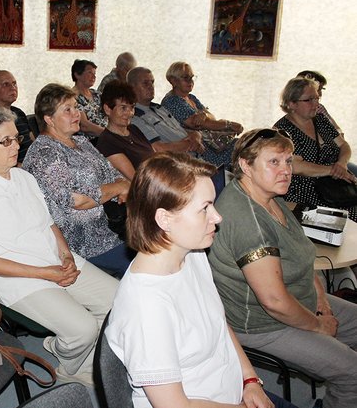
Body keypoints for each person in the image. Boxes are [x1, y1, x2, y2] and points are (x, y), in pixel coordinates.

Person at [107, 152, 286, 408]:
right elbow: (175, 406)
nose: (217, 217)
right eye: (204, 209)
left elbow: (218, 322)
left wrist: (250, 380)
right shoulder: (147, 306)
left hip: (235, 390)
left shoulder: (192, 253)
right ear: (164, 219)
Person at [0, 107, 119, 386]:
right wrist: (48, 274)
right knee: (83, 328)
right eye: (5, 141)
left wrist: (66, 255)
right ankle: (68, 364)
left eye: (16, 138)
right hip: (16, 279)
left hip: (53, 260)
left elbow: (50, 224)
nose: (15, 146)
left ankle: (74, 351)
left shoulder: (24, 177)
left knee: (118, 300)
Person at [208, 128, 357, 408]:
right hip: (265, 323)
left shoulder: (271, 197)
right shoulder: (247, 221)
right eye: (274, 162)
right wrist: (319, 325)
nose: (286, 170)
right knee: (353, 374)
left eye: (288, 161)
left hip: (300, 300)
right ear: (245, 166)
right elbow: (275, 302)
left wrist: (323, 303)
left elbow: (302, 255)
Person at [23, 83, 132, 278]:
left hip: (108, 226)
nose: (77, 114)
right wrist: (117, 188)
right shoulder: (44, 153)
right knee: (144, 265)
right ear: (49, 119)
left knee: (163, 245)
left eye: (76, 107)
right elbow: (77, 200)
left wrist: (121, 187)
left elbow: (111, 171)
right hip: (80, 240)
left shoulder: (81, 142)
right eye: (68, 110)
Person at [274, 77, 357, 220]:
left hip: (336, 186)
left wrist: (341, 164)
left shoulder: (320, 120)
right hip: (307, 192)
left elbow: (344, 145)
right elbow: (296, 166)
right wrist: (333, 171)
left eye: (317, 99)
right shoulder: (283, 130)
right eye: (309, 100)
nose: (316, 104)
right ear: (291, 103)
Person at [161, 61, 243, 167]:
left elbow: (212, 117)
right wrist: (230, 124)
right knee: (243, 148)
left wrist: (204, 114)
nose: (190, 81)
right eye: (186, 77)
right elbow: (198, 123)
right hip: (199, 149)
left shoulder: (191, 97)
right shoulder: (172, 100)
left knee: (245, 145)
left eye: (192, 77)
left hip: (212, 144)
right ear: (173, 81)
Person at [127, 67, 206, 157]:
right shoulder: (134, 117)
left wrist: (196, 135)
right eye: (145, 83)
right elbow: (159, 149)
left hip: (195, 157)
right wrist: (191, 144)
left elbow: (180, 131)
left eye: (152, 82)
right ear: (131, 87)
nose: (151, 87)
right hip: (178, 164)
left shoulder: (159, 108)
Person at [97, 80, 155, 181]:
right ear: (107, 109)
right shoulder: (107, 143)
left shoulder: (134, 129)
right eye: (123, 108)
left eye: (132, 107)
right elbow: (135, 179)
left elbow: (156, 157)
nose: (130, 113)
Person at [0, 70, 33, 164]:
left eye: (14, 84)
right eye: (6, 84)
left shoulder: (19, 112)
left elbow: (32, 141)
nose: (13, 88)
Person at [71, 59, 107, 138]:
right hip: (91, 141)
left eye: (95, 73)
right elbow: (85, 126)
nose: (94, 76)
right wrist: (110, 136)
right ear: (77, 75)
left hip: (106, 137)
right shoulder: (72, 97)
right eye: (90, 72)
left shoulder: (97, 94)